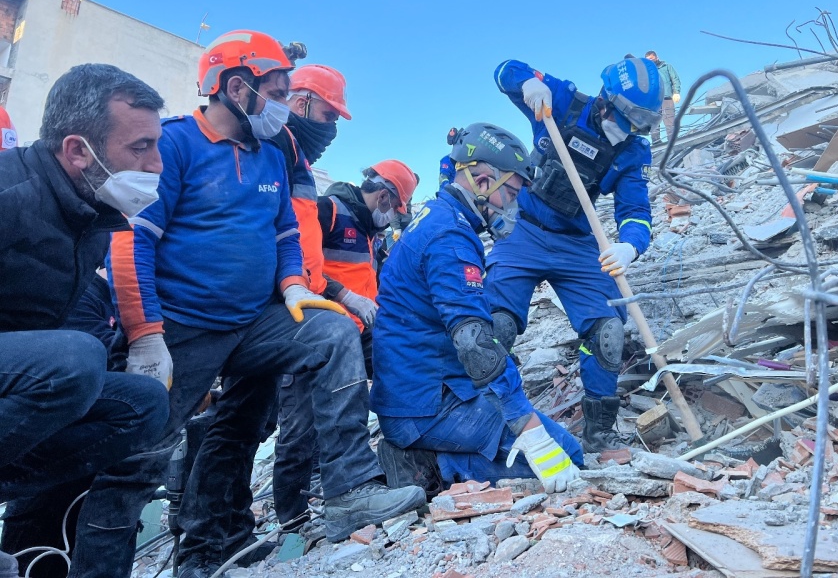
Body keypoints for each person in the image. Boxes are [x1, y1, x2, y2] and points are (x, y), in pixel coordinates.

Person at [66, 31, 424, 578]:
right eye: (277, 91)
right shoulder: (177, 145)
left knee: (331, 338)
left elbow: (284, 232)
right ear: (237, 87)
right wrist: (145, 335)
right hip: (183, 329)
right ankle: (111, 567)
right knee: (139, 459)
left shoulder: (268, 158)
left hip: (255, 321)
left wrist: (294, 286)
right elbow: (128, 238)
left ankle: (347, 491)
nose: (283, 104)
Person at [174, 59, 356, 574]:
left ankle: (224, 537)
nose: (332, 126)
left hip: (275, 303)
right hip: (211, 315)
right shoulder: (244, 145)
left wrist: (302, 285)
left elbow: (288, 233)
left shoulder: (282, 152)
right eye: (328, 112)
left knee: (244, 421)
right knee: (200, 431)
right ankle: (201, 541)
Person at [0, 65, 170, 573]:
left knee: (141, 405)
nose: (157, 163)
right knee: (73, 360)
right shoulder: (11, 193)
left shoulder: (90, 214)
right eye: (140, 148)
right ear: (78, 150)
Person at [372, 123, 583, 494]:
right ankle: (432, 464)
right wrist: (527, 426)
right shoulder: (450, 236)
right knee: (568, 456)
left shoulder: (438, 218)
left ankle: (433, 454)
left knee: (543, 440)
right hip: (426, 408)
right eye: (512, 193)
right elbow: (473, 342)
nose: (514, 206)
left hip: (419, 394)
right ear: (484, 181)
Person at [486, 58, 661, 453]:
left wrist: (630, 245)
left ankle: (599, 432)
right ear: (606, 101)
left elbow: (636, 211)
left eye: (642, 121)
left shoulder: (633, 151)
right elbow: (505, 71)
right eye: (629, 116)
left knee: (609, 333)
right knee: (495, 326)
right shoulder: (564, 102)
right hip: (523, 230)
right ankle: (491, 416)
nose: (633, 128)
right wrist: (528, 82)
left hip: (578, 243)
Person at [271, 160, 418, 527]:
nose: (393, 216)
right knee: (299, 430)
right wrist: (344, 296)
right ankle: (294, 523)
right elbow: (300, 263)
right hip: (313, 333)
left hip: (359, 335)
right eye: (394, 208)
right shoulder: (328, 212)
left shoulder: (371, 233)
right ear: (384, 195)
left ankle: (386, 473)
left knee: (400, 381)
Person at [644, 50, 682, 145]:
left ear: (657, 58)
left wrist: (676, 92)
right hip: (654, 100)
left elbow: (675, 79)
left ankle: (672, 141)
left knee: (669, 121)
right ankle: (656, 142)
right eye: (648, 60)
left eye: (652, 59)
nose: (651, 62)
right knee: (654, 123)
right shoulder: (647, 72)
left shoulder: (666, 67)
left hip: (666, 98)